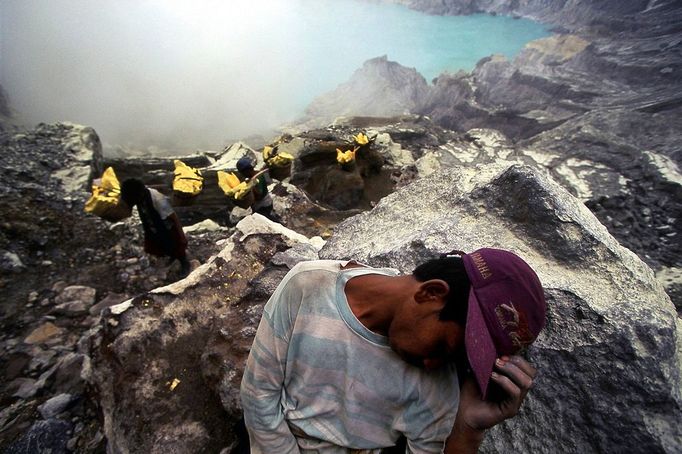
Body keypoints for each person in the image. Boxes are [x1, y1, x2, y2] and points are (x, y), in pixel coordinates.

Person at [240, 248, 547, 453]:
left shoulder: (437, 384)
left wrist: (468, 427)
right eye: (443, 347)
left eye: (455, 360)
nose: (432, 364)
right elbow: (259, 393)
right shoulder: (308, 286)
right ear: (431, 293)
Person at [120, 178, 190, 277]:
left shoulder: (157, 198)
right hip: (153, 226)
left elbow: (173, 217)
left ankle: (184, 263)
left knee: (175, 246)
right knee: (160, 247)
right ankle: (172, 257)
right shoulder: (140, 197)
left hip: (167, 228)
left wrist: (182, 236)